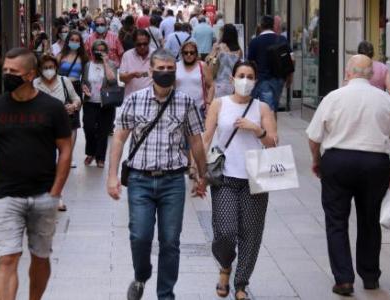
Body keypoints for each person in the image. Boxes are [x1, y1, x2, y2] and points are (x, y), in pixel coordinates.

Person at [107, 48, 208, 300]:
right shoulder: (134, 100)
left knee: (170, 241)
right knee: (139, 236)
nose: (165, 73)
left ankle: (166, 294)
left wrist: (202, 175)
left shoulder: (186, 102)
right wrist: (112, 176)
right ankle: (141, 275)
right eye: (160, 69)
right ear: (150, 71)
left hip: (173, 180)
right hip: (140, 179)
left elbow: (196, 142)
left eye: (169, 69)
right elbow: (119, 139)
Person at [306, 55, 390, 296]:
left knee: (336, 221)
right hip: (375, 164)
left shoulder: (334, 97)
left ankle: (343, 279)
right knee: (370, 220)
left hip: (338, 161)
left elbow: (314, 137)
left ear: (348, 72)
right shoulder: (385, 100)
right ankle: (370, 275)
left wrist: (317, 160)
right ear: (371, 74)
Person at [0, 48, 72, 300]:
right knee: (7, 257)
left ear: (30, 74)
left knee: (40, 258)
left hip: (43, 195)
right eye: (5, 70)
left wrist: (55, 192)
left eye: (13, 71)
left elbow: (65, 150)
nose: (7, 75)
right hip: (4, 196)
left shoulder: (52, 108)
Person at [202, 60, 277, 300]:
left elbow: (272, 143)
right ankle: (225, 265)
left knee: (251, 234)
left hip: (255, 179)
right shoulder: (219, 104)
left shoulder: (263, 108)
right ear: (232, 79)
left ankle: (241, 283)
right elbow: (206, 137)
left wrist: (256, 129)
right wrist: (198, 170)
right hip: (225, 176)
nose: (246, 80)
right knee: (225, 232)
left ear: (255, 81)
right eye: (241, 75)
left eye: (250, 76)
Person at [33, 54, 81, 211]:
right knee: (45, 161)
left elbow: (76, 99)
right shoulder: (35, 84)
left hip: (62, 126)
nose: (49, 70)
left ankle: (57, 194)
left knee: (62, 160)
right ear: (40, 69)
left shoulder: (64, 81)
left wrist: (73, 106)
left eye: (51, 67)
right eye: (45, 68)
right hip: (41, 128)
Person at [81, 40, 118, 168]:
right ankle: (91, 152)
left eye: (103, 50)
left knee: (103, 131)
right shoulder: (87, 65)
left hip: (106, 103)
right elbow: (84, 81)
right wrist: (84, 88)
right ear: (93, 51)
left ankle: (100, 157)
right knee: (89, 127)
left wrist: (106, 62)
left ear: (107, 52)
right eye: (98, 50)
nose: (100, 52)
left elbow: (112, 80)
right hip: (90, 102)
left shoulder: (111, 64)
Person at [247, 15, 293, 112]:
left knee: (268, 109)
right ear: (273, 25)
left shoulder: (255, 42)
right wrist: (289, 77)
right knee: (273, 108)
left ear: (261, 26)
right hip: (279, 79)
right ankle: (272, 126)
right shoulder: (282, 39)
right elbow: (291, 59)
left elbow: (250, 62)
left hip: (263, 79)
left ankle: (269, 126)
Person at [57, 30, 88, 164]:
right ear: (68, 40)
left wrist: (85, 88)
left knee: (73, 123)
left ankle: (68, 157)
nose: (74, 42)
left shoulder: (84, 58)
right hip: (61, 88)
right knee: (59, 121)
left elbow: (86, 77)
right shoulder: (60, 56)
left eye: (77, 40)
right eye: (72, 39)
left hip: (75, 89)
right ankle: (60, 154)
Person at [355, 41, 390, 120]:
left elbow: (346, 86)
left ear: (358, 53)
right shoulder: (382, 67)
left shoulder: (353, 67)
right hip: (378, 106)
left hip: (359, 106)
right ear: (373, 53)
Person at [176, 40, 215, 117]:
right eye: (186, 52)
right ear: (182, 54)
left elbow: (211, 86)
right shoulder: (176, 66)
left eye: (192, 52)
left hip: (199, 108)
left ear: (196, 53)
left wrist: (208, 103)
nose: (189, 55)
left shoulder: (202, 66)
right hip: (179, 108)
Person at [209, 24, 243, 97]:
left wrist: (213, 56)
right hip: (233, 85)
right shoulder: (239, 51)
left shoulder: (218, 47)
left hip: (219, 84)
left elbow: (212, 63)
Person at [119, 30, 154, 97]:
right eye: (139, 44)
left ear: (149, 42)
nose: (142, 47)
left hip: (150, 99)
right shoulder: (127, 55)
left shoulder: (155, 55)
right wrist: (132, 75)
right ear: (134, 43)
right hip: (131, 98)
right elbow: (121, 78)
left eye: (145, 44)